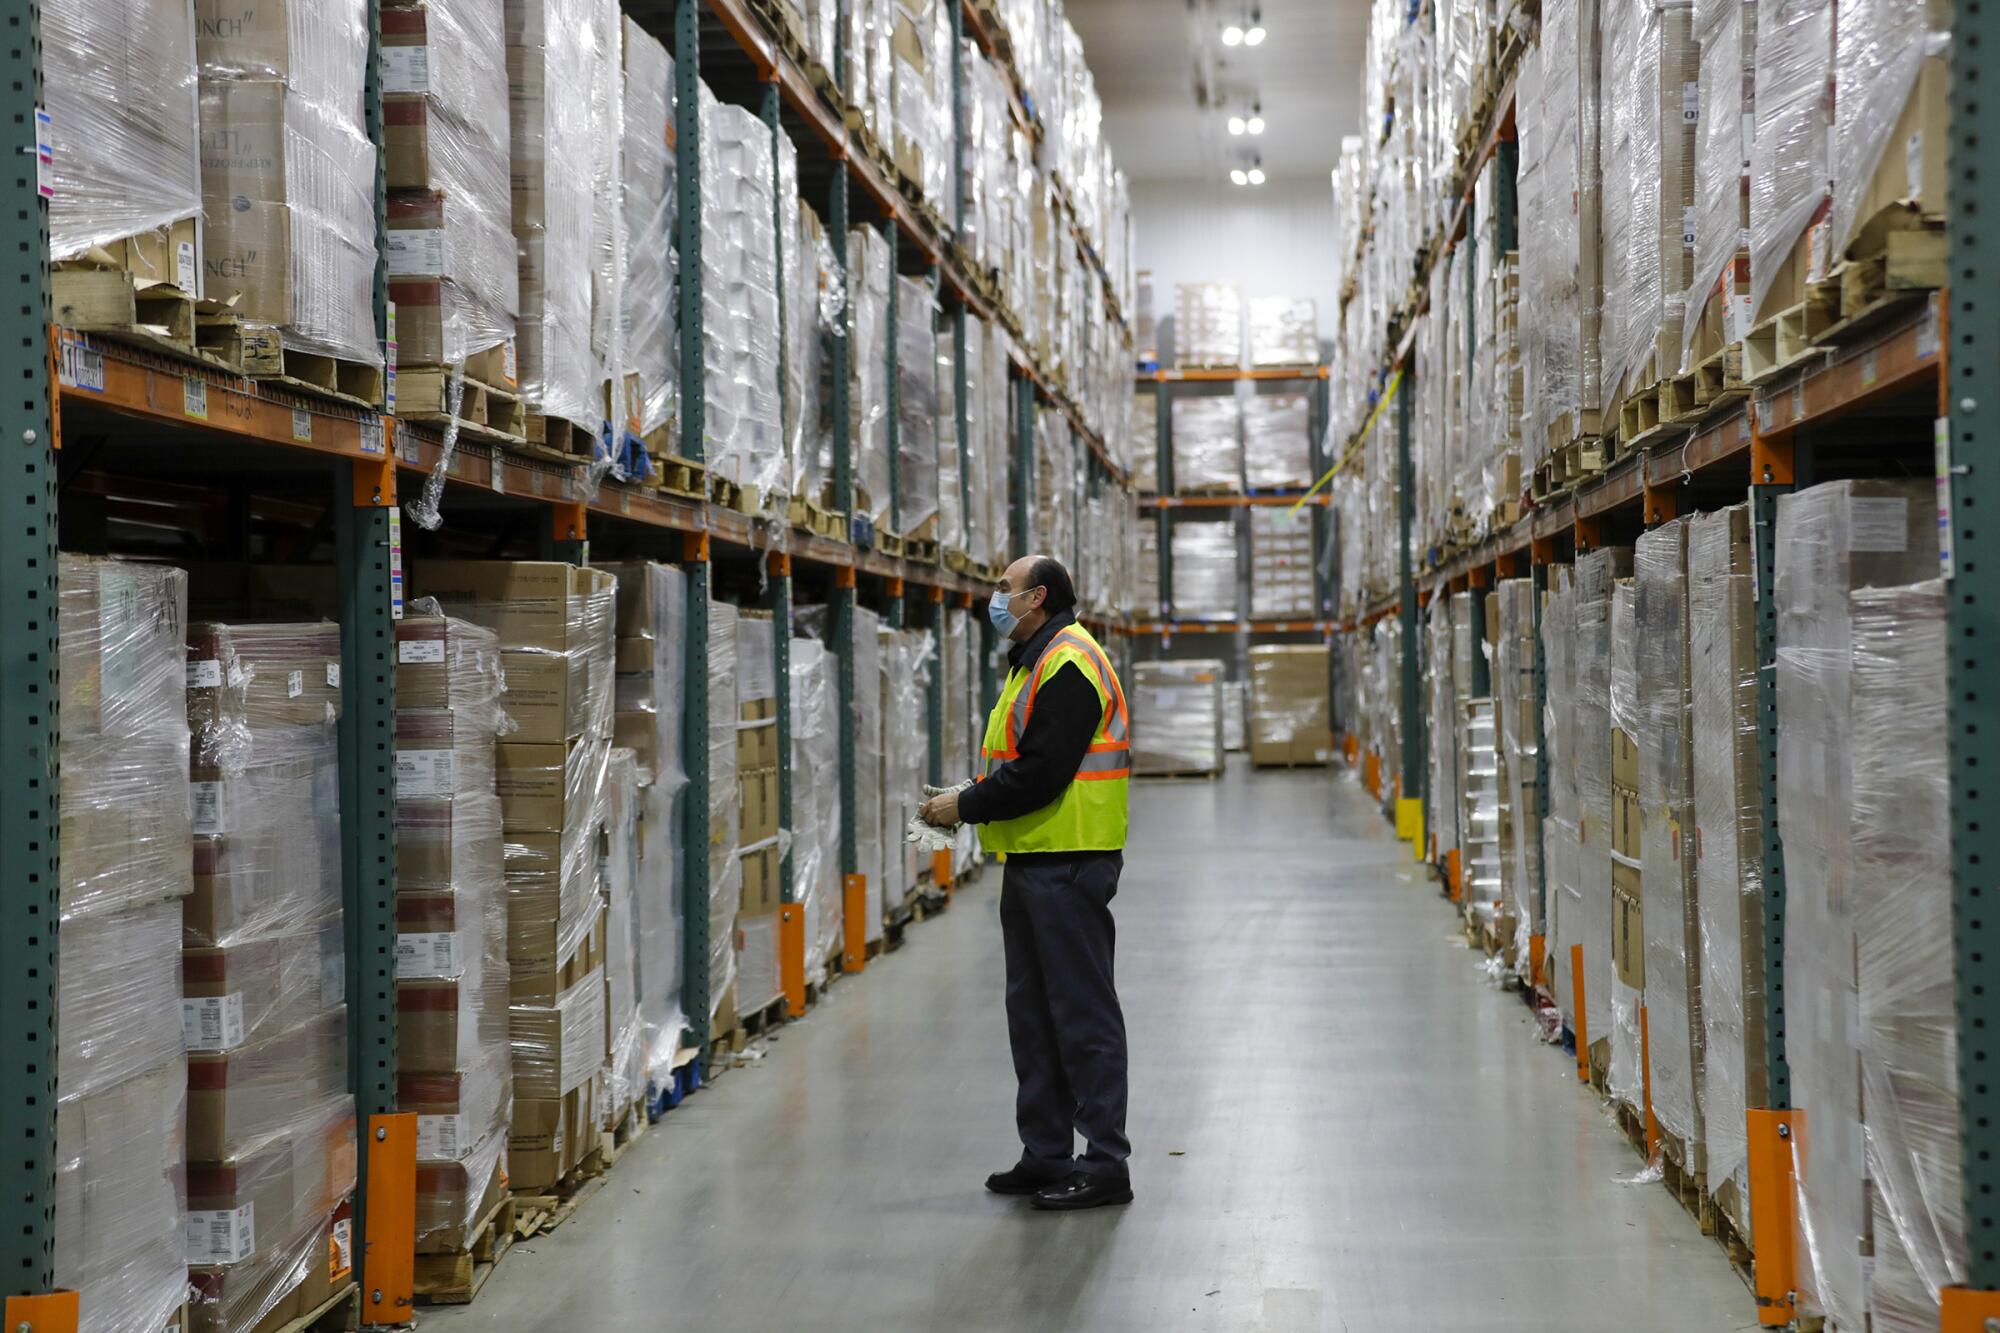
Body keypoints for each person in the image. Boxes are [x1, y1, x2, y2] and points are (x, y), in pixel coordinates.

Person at [919, 554, 1133, 1211]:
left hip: (1069, 861)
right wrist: (972, 797)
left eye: (1005, 589)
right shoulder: (1032, 658)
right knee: (1033, 1014)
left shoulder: (1069, 662)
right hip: (1034, 858)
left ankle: (1105, 1163)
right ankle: (1045, 1151)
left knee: (1081, 1013)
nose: (995, 597)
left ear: (1036, 597)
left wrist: (965, 805)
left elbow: (1043, 771)